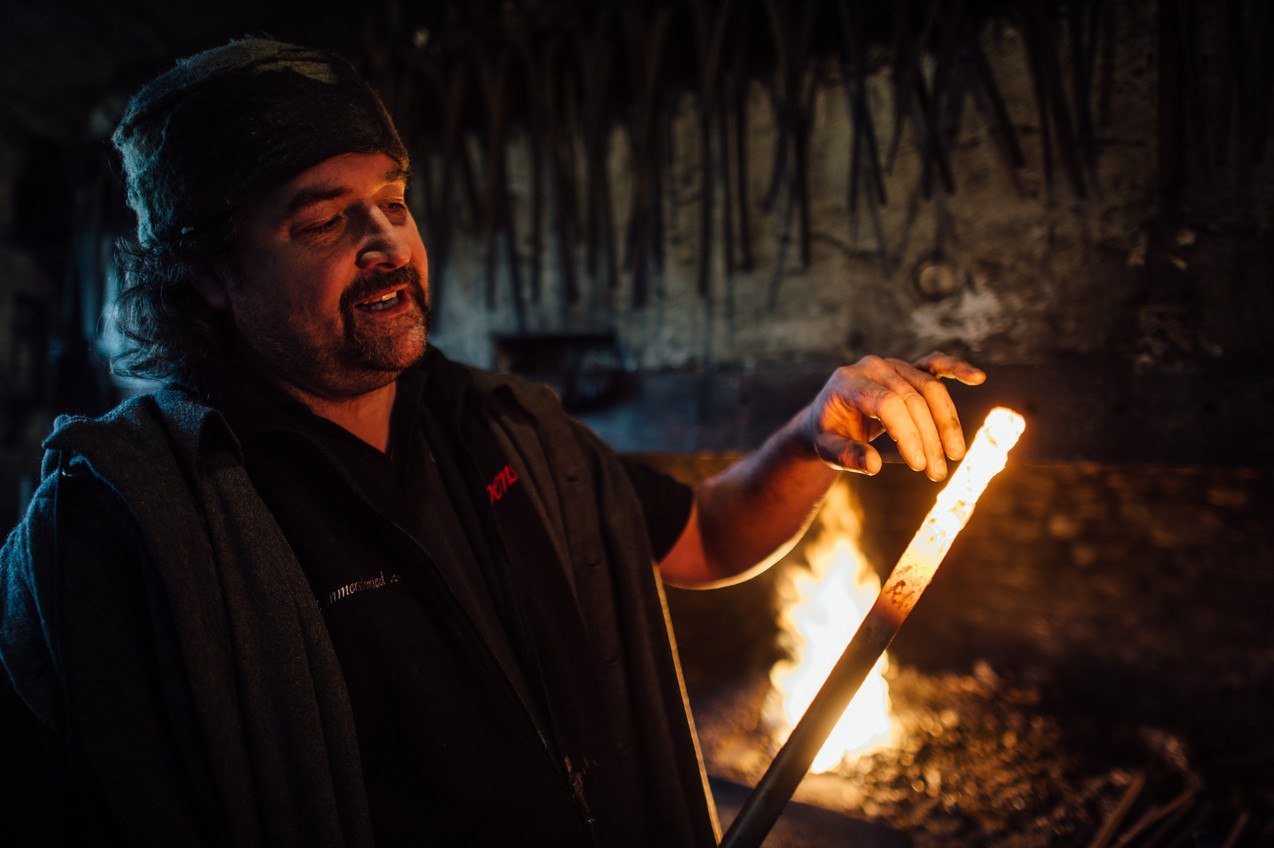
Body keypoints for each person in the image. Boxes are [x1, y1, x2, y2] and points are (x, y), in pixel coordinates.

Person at [0, 38, 984, 848]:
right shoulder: (131, 522)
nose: (386, 245)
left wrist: (812, 434)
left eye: (392, 200)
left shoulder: (506, 424)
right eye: (324, 222)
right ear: (206, 273)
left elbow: (708, 537)